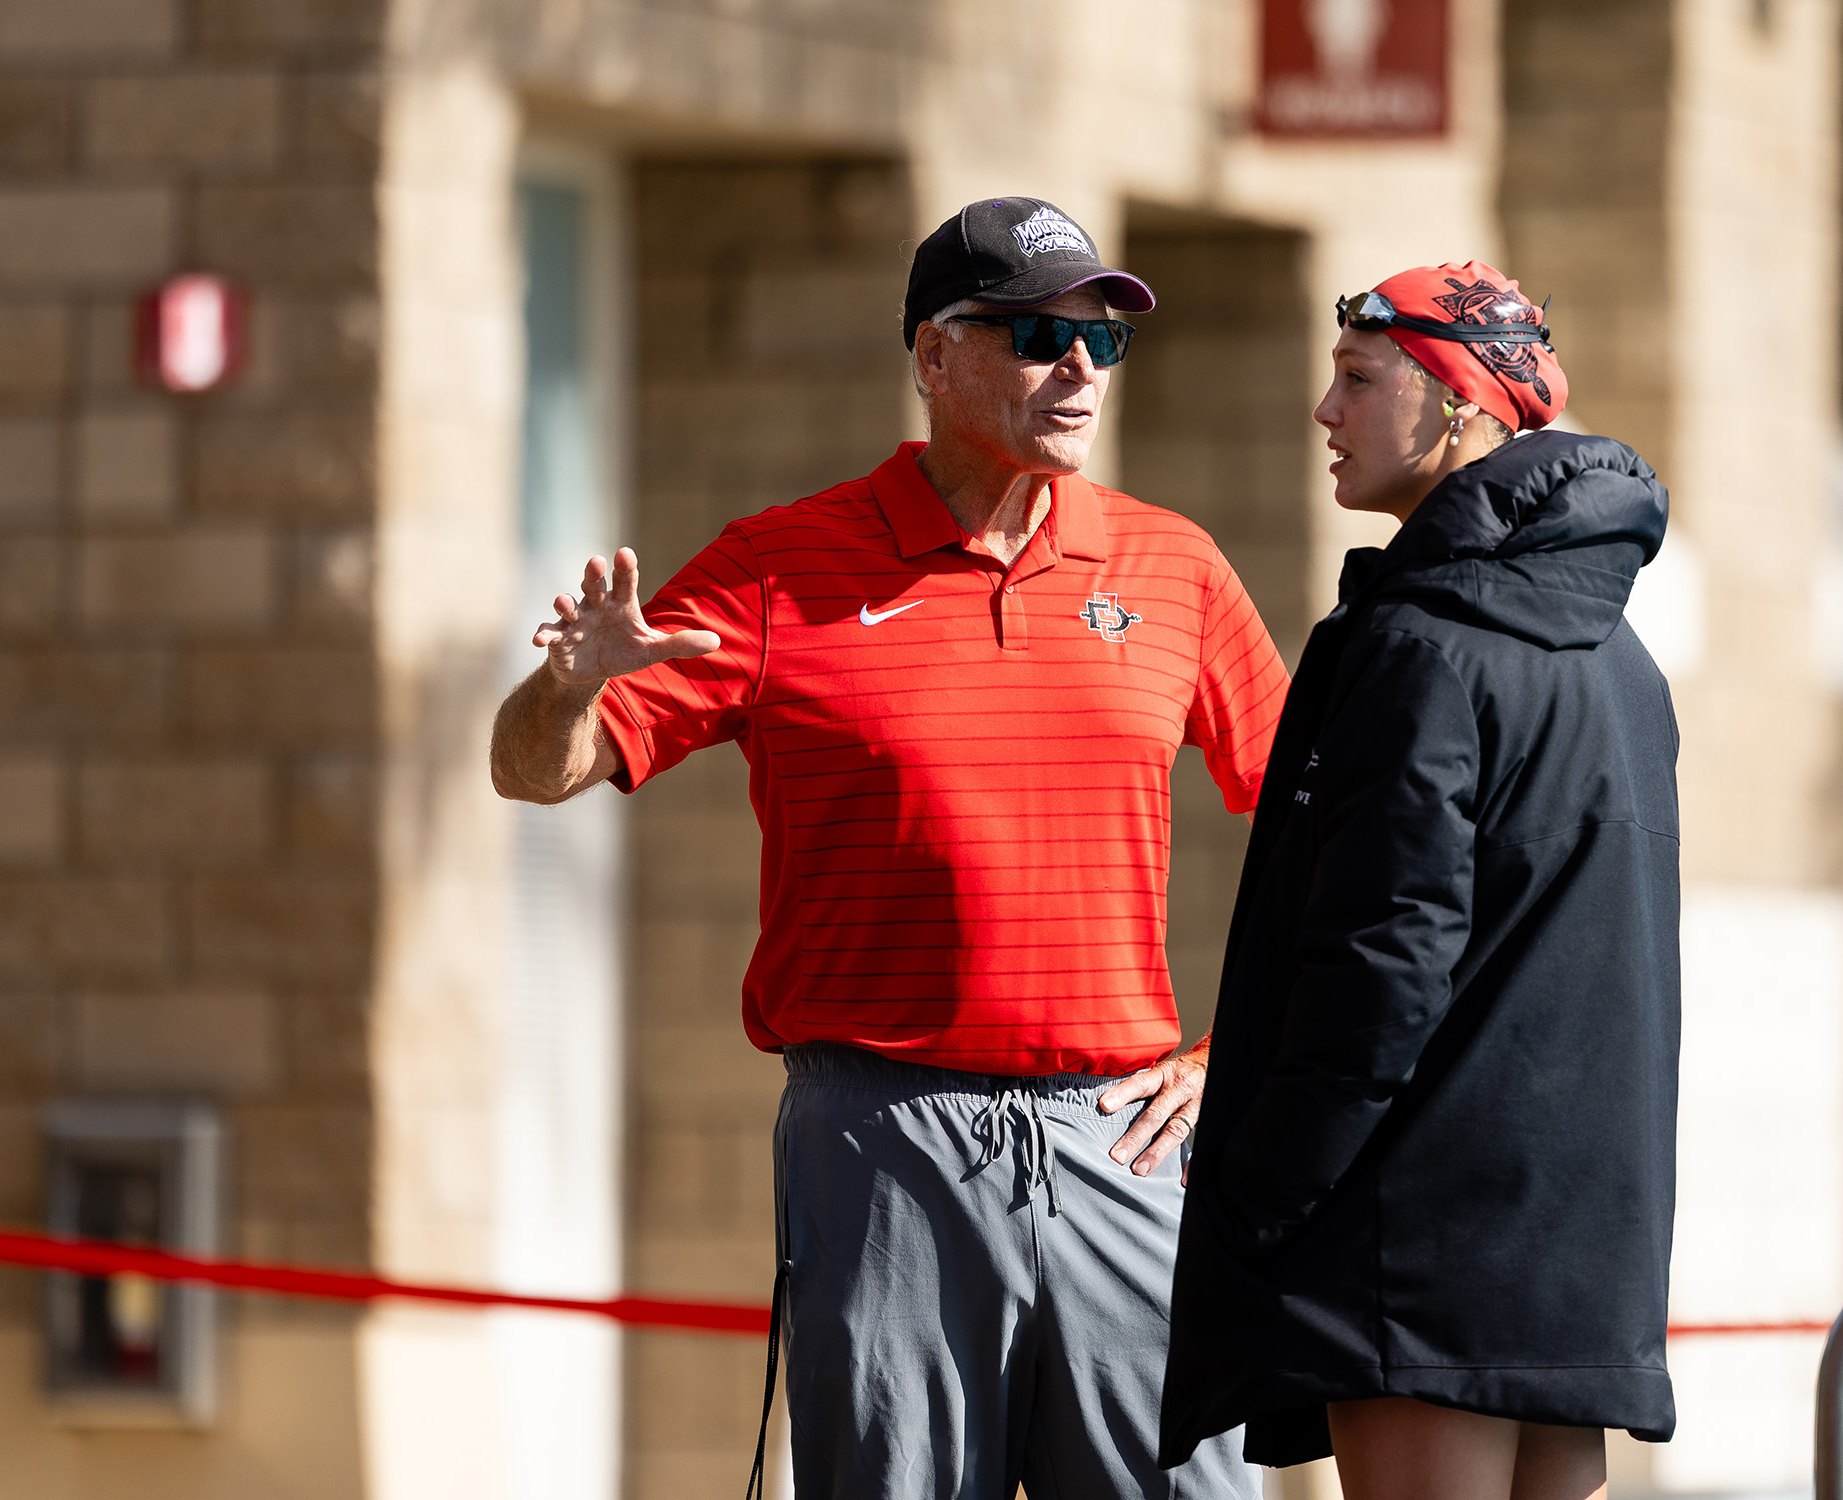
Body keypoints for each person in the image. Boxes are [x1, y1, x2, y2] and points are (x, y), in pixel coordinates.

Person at [490, 196, 1286, 1500]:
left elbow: (1334, 827)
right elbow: (535, 773)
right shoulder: (773, 569)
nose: (1077, 368)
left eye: (1102, 341)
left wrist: (1242, 1045)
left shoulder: (1172, 566)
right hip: (887, 1144)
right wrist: (567, 686)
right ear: (932, 355)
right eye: (1037, 334)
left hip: (1125, 1142)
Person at [1158, 262, 1680, 1500]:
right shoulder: (1619, 653)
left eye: (1358, 379)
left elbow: (1381, 958)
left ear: (1458, 406)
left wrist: (1259, 1188)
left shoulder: (1417, 644)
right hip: (1578, 1231)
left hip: (1421, 1240)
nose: (1324, 414)